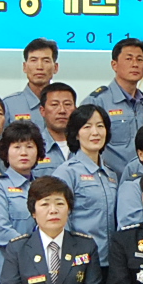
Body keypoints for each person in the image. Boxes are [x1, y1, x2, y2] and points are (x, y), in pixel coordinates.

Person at [51, 104, 118, 261]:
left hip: (110, 259)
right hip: (80, 259)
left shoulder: (111, 174)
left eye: (100, 126)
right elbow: (61, 219)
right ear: (76, 134)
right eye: (87, 127)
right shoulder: (67, 172)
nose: (95, 132)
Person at [0, 122, 45, 279]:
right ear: (6, 152)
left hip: (43, 270)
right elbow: (2, 232)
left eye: (29, 147)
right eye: (17, 147)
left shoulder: (44, 187)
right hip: (9, 271)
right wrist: (35, 252)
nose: (24, 152)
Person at [85, 37, 143, 176]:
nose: (135, 64)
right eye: (129, 59)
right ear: (114, 65)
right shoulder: (97, 101)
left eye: (140, 59)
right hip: (111, 180)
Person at [3, 37, 60, 131]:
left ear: (56, 67)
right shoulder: (8, 105)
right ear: (24, 67)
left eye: (46, 61)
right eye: (34, 60)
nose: (39, 67)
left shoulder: (64, 105)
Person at [35, 81, 76, 174]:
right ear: (42, 111)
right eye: (54, 105)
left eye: (67, 104)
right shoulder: (34, 147)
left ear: (75, 109)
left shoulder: (85, 146)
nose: (62, 110)